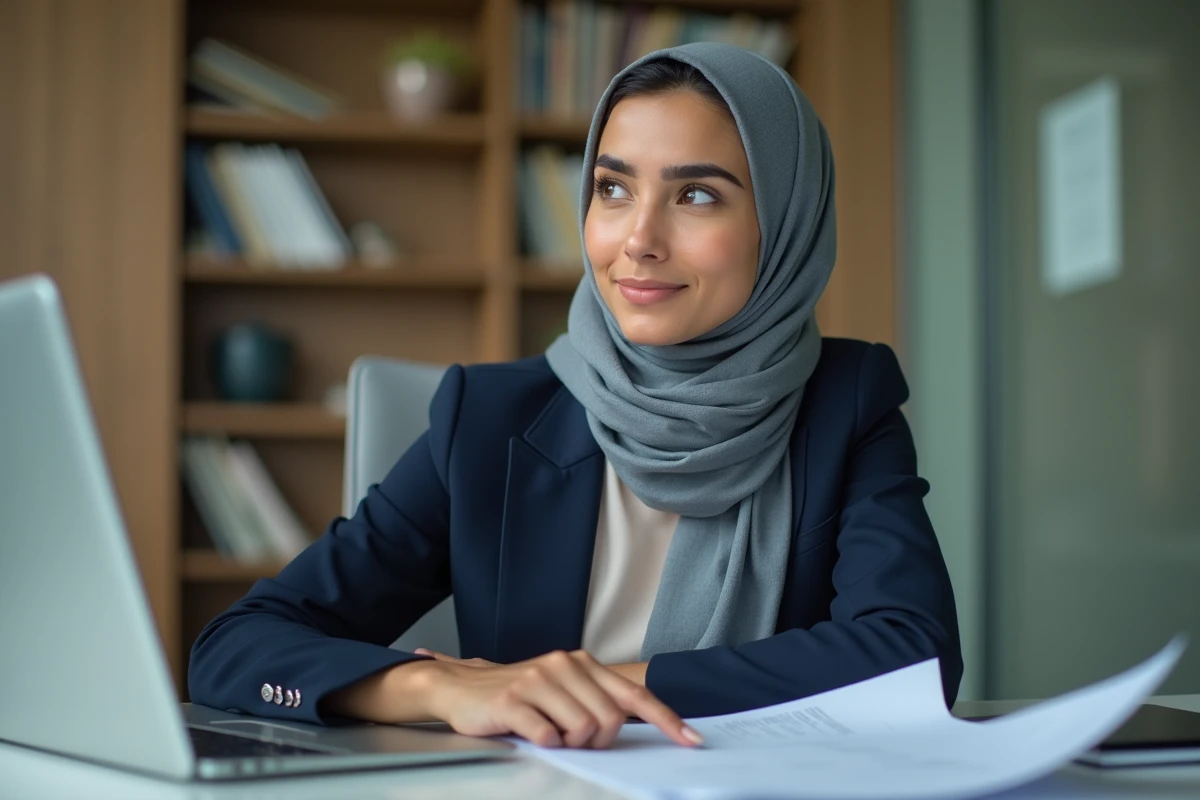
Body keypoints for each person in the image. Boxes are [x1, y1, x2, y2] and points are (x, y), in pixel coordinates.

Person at [188, 42, 962, 752]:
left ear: (785, 225)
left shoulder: (844, 403)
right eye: (613, 188)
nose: (639, 239)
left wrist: (609, 686)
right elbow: (236, 648)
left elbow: (911, 651)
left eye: (697, 196)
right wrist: (444, 685)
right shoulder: (489, 420)